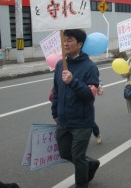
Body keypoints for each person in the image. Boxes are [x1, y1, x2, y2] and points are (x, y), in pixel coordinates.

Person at [51, 29, 100, 188]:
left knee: (78, 159)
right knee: (65, 153)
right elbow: (56, 90)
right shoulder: (60, 64)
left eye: (70, 40)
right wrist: (55, 112)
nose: (65, 43)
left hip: (81, 122)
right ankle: (91, 163)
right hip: (63, 121)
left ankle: (82, 184)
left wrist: (73, 81)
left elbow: (89, 95)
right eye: (64, 40)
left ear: (80, 44)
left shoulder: (90, 67)